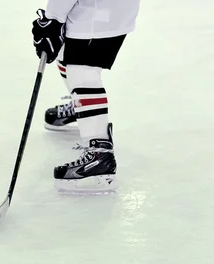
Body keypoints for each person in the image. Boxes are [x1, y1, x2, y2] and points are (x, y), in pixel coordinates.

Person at [32, 0, 141, 192]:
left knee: (81, 70)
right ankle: (85, 110)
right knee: (64, 49)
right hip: (108, 8)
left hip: (100, 10)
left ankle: (100, 157)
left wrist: (53, 17)